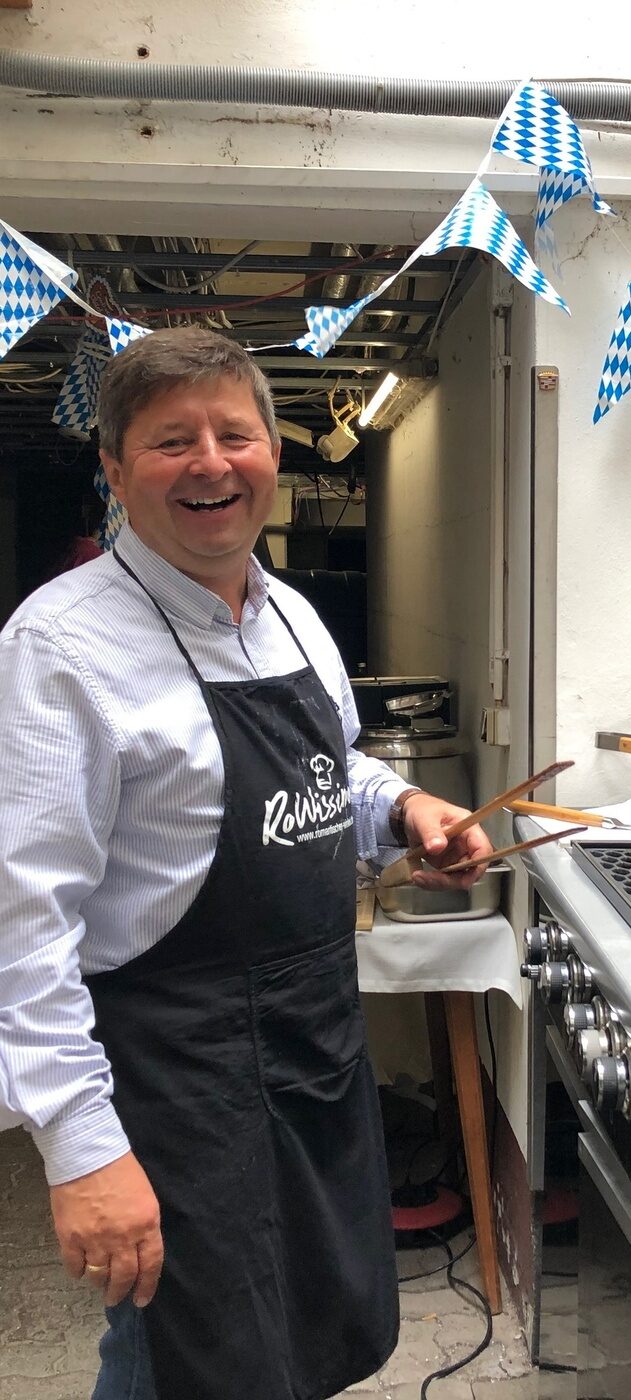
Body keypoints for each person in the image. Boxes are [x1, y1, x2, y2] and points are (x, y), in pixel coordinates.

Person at [0, 326, 492, 1400]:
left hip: (315, 1051)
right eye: (171, 440)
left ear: (274, 450)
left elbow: (334, 769)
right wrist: (81, 1149)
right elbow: (22, 930)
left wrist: (405, 809)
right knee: (185, 1361)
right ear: (115, 469)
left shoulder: (293, 616)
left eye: (234, 433)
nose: (210, 463)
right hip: (174, 1083)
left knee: (309, 1336)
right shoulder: (58, 647)